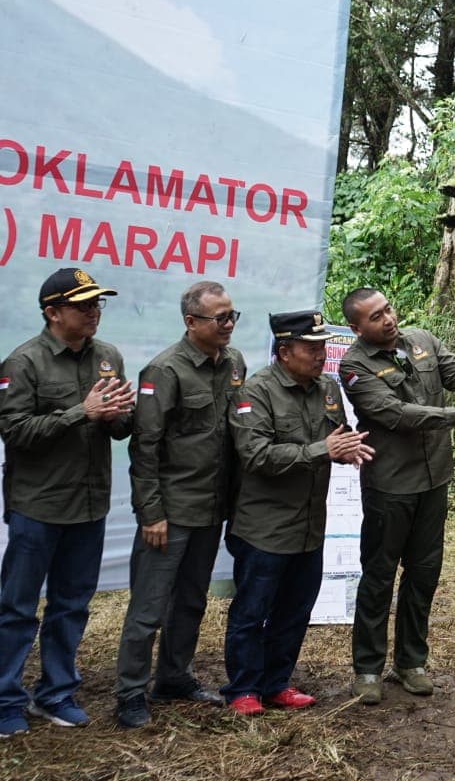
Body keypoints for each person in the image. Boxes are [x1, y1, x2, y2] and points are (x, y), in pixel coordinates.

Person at [339, 288, 455, 705]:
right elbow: (395, 414)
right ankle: (367, 668)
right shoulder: (354, 366)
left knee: (423, 574)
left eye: (389, 310)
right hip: (391, 486)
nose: (388, 319)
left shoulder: (422, 341)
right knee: (379, 577)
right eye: (376, 316)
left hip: (434, 480)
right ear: (356, 327)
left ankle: (411, 661)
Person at [0, 267, 135, 737]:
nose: (94, 311)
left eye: (98, 303)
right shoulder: (24, 362)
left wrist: (120, 416)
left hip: (89, 504)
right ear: (53, 313)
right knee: (17, 608)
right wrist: (84, 411)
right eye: (83, 305)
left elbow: (117, 426)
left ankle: (55, 693)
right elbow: (15, 433)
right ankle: (5, 699)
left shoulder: (108, 356)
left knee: (72, 604)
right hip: (38, 506)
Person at [223, 311, 373, 716]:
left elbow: (337, 437)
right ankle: (243, 689)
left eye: (323, 346)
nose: (321, 354)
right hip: (264, 527)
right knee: (252, 611)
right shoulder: (255, 393)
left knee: (294, 609)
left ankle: (276, 683)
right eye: (312, 347)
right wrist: (324, 450)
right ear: (285, 351)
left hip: (309, 524)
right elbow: (256, 456)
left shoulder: (326, 387)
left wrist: (348, 450)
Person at [112, 282, 246, 729]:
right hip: (170, 512)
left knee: (190, 601)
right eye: (219, 318)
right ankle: (130, 693)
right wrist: (150, 512)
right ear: (191, 322)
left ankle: (174, 676)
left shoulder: (234, 364)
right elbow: (144, 448)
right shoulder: (164, 370)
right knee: (148, 609)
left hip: (211, 508)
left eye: (232, 316)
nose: (228, 325)